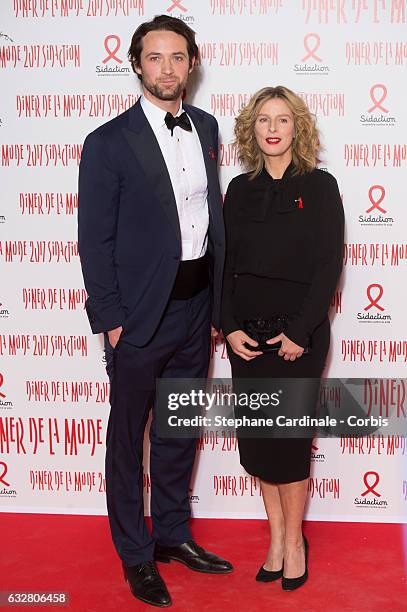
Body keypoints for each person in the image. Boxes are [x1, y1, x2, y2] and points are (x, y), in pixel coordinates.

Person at [78, 15, 231, 608]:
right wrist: (113, 319)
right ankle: (135, 554)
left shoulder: (208, 127)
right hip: (139, 319)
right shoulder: (108, 143)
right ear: (138, 65)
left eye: (177, 57)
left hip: (197, 311)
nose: (167, 68)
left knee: (178, 431)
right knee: (127, 440)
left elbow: (207, 221)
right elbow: (96, 242)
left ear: (192, 63)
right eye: (155, 57)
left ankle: (171, 535)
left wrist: (218, 304)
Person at [221, 86, 344, 590]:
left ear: (298, 127)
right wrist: (227, 326)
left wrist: (300, 330)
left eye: (283, 120)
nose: (273, 128)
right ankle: (274, 539)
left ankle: (294, 543)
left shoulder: (319, 186)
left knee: (288, 446)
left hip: (297, 338)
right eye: (263, 120)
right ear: (252, 129)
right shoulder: (239, 189)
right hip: (246, 338)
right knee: (258, 446)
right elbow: (223, 267)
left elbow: (327, 266)